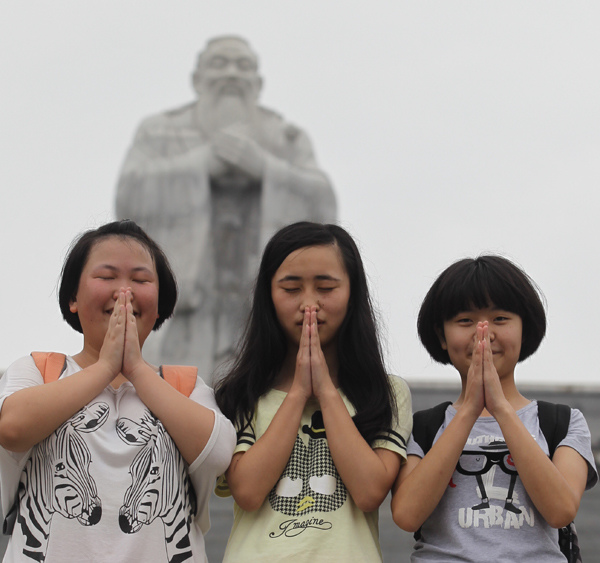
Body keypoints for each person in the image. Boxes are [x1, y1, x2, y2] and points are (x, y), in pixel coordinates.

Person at [0, 220, 236, 562]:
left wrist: (137, 370)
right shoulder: (38, 371)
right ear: (73, 298)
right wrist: (104, 368)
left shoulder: (183, 387)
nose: (123, 291)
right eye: (107, 277)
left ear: (159, 306)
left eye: (140, 280)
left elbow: (217, 454)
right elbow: (12, 427)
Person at [115, 35, 336, 380]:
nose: (232, 74)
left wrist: (264, 168)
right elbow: (129, 195)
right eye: (220, 64)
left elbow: (323, 205)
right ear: (197, 79)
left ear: (258, 83)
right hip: (188, 306)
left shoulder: (285, 137)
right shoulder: (161, 132)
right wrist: (201, 164)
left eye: (243, 66)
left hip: (255, 303)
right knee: (174, 394)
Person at [213, 221, 412, 562]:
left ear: (353, 293)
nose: (309, 303)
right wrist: (298, 393)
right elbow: (247, 491)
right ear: (268, 296)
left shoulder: (387, 392)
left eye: (326, 287)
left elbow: (369, 492)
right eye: (291, 288)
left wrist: (326, 391)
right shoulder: (240, 394)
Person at [391, 255, 598, 561]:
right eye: (465, 321)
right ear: (441, 335)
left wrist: (499, 406)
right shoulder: (422, 426)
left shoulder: (563, 422)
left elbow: (561, 510)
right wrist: (469, 413)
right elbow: (407, 515)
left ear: (524, 328)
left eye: (500, 319)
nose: (483, 333)